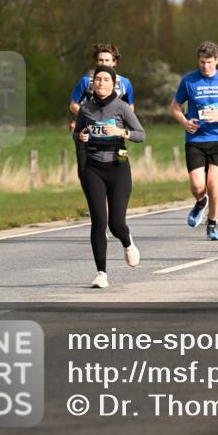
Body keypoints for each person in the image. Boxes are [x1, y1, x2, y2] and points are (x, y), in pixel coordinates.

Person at [72, 66, 146, 288]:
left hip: (118, 167)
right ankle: (101, 273)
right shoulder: (85, 109)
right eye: (97, 80)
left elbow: (141, 135)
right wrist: (81, 136)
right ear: (93, 84)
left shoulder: (122, 108)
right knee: (99, 222)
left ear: (113, 84)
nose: (101, 83)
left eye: (105, 80)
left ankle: (127, 241)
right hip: (93, 168)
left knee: (116, 223)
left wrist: (121, 133)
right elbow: (77, 133)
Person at [171, 41, 218, 241]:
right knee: (199, 186)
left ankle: (212, 224)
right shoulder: (189, 81)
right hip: (195, 139)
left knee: (213, 183)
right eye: (202, 62)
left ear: (216, 60)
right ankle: (201, 202)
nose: (205, 66)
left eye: (209, 62)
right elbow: (174, 107)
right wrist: (184, 122)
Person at [69, 43, 135, 181]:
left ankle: (118, 196)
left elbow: (131, 108)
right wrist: (88, 118)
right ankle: (98, 200)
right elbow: (73, 105)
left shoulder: (125, 83)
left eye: (107, 60)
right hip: (89, 135)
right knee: (84, 174)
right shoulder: (87, 81)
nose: (103, 63)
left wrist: (121, 126)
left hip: (115, 136)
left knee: (120, 171)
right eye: (100, 60)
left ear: (114, 62)